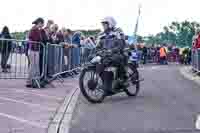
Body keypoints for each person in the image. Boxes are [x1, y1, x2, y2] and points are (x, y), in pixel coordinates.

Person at [96, 16, 128, 93]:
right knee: (97, 64)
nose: (103, 26)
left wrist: (112, 50)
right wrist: (97, 51)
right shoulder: (101, 34)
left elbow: (121, 44)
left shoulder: (118, 31)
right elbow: (97, 46)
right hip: (106, 55)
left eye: (105, 24)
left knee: (116, 59)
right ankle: (106, 84)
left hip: (119, 53)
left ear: (110, 23)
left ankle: (123, 78)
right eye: (103, 24)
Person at [26, 17, 45, 88]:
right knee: (33, 66)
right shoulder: (34, 29)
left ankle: (33, 81)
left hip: (35, 49)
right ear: (40, 23)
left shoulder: (36, 29)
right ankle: (30, 81)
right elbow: (31, 38)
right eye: (42, 23)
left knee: (35, 66)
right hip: (33, 50)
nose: (43, 25)